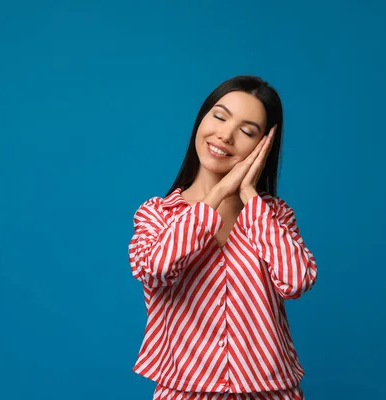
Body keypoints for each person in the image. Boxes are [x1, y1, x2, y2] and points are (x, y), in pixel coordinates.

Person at [128, 75, 318, 400]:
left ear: (264, 147)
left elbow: (296, 281)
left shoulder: (274, 215)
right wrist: (215, 196)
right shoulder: (156, 215)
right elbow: (154, 270)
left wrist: (249, 196)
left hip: (271, 391)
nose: (225, 135)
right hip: (185, 390)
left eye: (246, 131)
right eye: (219, 116)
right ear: (201, 119)